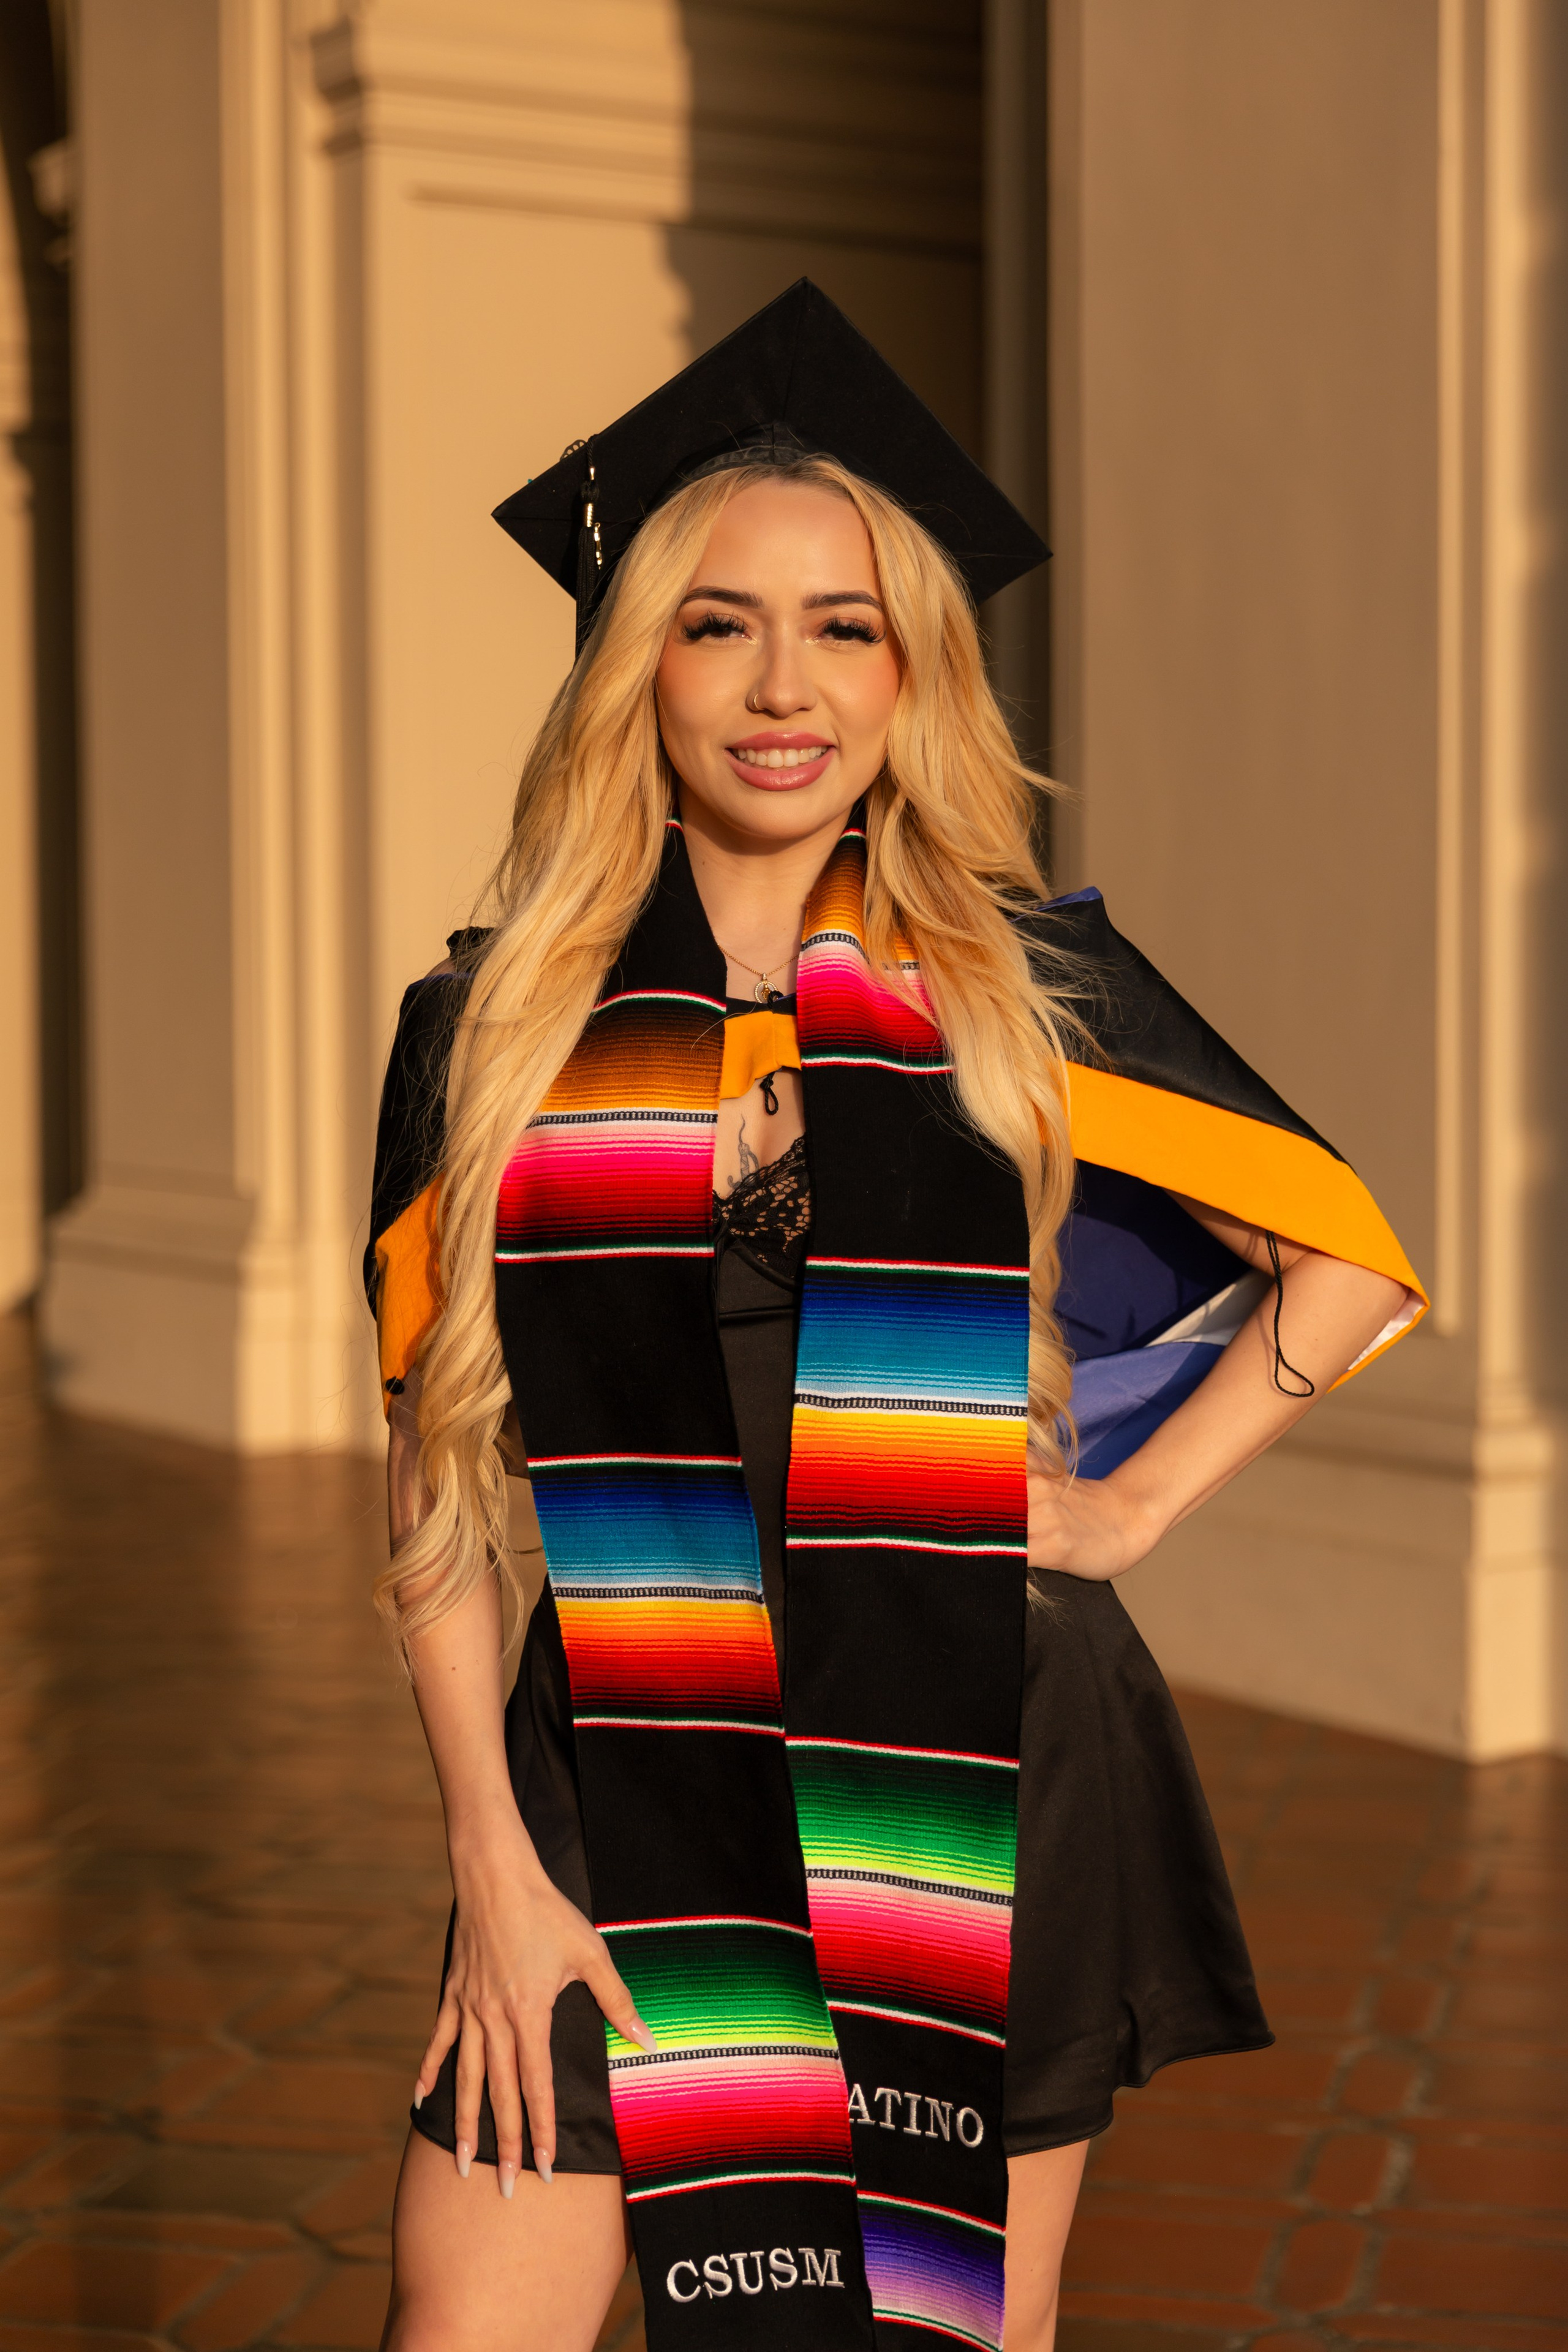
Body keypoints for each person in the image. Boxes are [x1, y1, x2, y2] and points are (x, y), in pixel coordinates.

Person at [366, 283, 1424, 2352]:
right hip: (626, 1749)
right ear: (636, 668)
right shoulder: (488, 1027)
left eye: (846, 625)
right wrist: (491, 1865)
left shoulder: (1016, 986)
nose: (786, 683)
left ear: (908, 675)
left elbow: (1353, 1257)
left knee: (937, 2333)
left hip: (978, 1762)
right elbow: (427, 1484)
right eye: (719, 621)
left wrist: (1118, 1517)